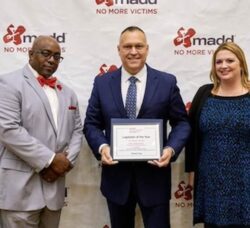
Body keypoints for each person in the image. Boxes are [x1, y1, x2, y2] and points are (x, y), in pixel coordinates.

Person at [83, 26, 191, 228]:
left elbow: (182, 123)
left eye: (139, 46)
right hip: (116, 181)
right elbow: (91, 124)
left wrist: (170, 149)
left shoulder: (167, 82)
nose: (133, 51)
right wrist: (102, 147)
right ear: (119, 49)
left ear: (147, 49)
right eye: (128, 46)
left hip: (155, 178)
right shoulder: (102, 83)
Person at [0, 35, 83, 228]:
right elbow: (8, 130)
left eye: (56, 56)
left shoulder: (68, 93)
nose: (51, 60)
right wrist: (51, 160)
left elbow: (77, 131)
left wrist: (65, 163)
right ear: (30, 54)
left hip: (54, 189)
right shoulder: (8, 84)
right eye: (45, 54)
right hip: (19, 190)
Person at [185, 42, 250, 227]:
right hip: (211, 176)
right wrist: (191, 170)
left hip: (245, 177)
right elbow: (191, 134)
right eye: (218, 61)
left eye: (230, 60)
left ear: (241, 64)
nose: (223, 65)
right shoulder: (204, 93)